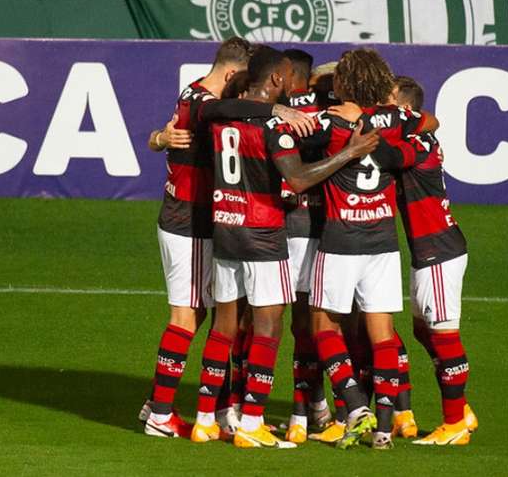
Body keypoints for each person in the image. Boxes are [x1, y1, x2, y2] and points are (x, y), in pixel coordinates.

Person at [189, 46, 382, 448]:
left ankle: (206, 419)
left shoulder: (224, 117)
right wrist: (349, 152)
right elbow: (296, 181)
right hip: (263, 233)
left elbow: (207, 111)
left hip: (226, 228)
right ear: (277, 79)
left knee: (224, 325)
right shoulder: (274, 127)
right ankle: (252, 423)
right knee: (269, 326)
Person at [141, 37, 315, 438]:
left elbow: (165, 136)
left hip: (200, 217)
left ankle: (210, 410)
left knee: (211, 317)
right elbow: (224, 108)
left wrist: (158, 139)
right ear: (234, 73)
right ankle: (160, 411)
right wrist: (275, 108)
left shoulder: (191, 93)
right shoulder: (206, 101)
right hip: (189, 219)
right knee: (188, 316)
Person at [307, 49, 431, 450]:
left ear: (346, 82)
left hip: (341, 237)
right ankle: (382, 429)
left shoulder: (331, 121)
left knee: (323, 324)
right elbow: (431, 121)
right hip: (382, 241)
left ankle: (355, 402)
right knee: (382, 336)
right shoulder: (397, 118)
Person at [390, 76, 479, 446]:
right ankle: (463, 408)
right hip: (430, 248)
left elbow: (387, 154)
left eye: (387, 102)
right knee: (421, 330)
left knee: (444, 335)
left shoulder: (414, 141)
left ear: (403, 109)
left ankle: (454, 422)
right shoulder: (415, 135)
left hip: (438, 252)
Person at [280, 48, 332, 444]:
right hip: (329, 225)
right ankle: (317, 408)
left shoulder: (272, 108)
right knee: (320, 323)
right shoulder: (326, 108)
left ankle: (304, 414)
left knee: (295, 325)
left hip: (288, 224)